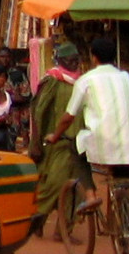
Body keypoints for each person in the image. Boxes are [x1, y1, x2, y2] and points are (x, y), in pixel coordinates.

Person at [43, 37, 129, 219]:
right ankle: (128, 217)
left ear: (94, 57)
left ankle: (90, 194)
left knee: (76, 149)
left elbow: (68, 117)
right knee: (124, 176)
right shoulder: (126, 78)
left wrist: (55, 135)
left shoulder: (86, 80)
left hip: (101, 141)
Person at [27, 42, 86, 235]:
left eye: (76, 59)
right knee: (53, 183)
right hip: (54, 141)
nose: (74, 63)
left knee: (74, 186)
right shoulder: (52, 80)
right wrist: (36, 141)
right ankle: (35, 220)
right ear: (60, 61)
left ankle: (63, 230)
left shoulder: (81, 81)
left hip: (76, 141)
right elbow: (38, 110)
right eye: (70, 60)